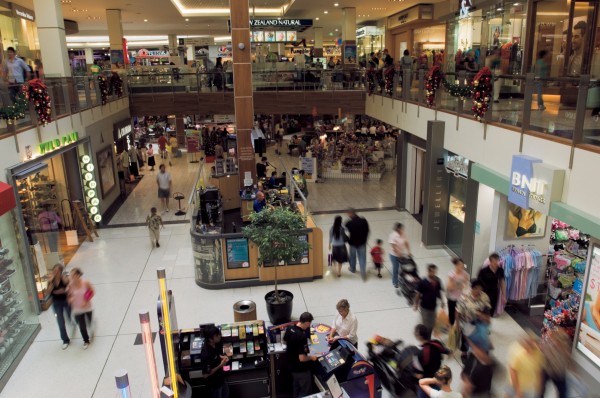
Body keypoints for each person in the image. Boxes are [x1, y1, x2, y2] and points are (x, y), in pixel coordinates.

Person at [284, 312, 318, 397]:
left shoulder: (289, 329)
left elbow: (285, 340)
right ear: (306, 323)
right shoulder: (302, 337)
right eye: (309, 323)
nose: (309, 325)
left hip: (291, 366)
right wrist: (312, 357)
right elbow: (302, 358)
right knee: (305, 392)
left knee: (296, 388)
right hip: (301, 370)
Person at [456, 280, 491, 363]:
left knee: (481, 338)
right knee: (465, 339)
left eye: (480, 289)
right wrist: (457, 323)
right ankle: (464, 353)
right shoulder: (464, 297)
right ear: (472, 288)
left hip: (480, 323)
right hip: (467, 322)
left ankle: (481, 353)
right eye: (477, 289)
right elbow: (458, 311)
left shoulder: (484, 297)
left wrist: (487, 320)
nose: (479, 291)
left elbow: (487, 310)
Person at [414, 324, 451, 398]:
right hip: (439, 379)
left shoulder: (418, 354)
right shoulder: (436, 343)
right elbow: (449, 352)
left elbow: (418, 374)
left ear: (419, 337)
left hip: (427, 383)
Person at [505, 333, 544, 398]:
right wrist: (518, 390)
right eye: (528, 344)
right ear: (524, 346)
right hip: (515, 383)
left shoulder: (539, 353)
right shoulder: (518, 355)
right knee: (509, 394)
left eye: (533, 343)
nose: (533, 345)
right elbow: (512, 372)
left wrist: (539, 383)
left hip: (528, 385)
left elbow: (539, 369)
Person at [414, 264, 445, 336]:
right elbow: (418, 294)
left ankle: (428, 336)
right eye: (432, 271)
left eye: (435, 271)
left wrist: (442, 301)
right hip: (424, 307)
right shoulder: (423, 282)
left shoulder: (438, 280)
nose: (434, 273)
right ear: (428, 272)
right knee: (426, 325)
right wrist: (416, 304)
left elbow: (438, 292)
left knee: (432, 324)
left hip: (433, 306)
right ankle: (426, 338)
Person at [67, 268, 94, 350]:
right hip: (77, 309)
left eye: (74, 275)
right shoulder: (70, 285)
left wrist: (85, 301)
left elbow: (92, 291)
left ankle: (92, 328)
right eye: (71, 275)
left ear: (78, 275)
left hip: (87, 308)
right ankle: (86, 340)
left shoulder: (86, 283)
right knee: (82, 326)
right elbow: (68, 296)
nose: (72, 277)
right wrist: (70, 300)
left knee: (89, 323)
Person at [539, 329, 571, 398]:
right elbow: (544, 358)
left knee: (563, 392)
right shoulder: (548, 346)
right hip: (548, 370)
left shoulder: (565, 347)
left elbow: (566, 358)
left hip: (559, 372)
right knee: (541, 390)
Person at [200, 325, 229, 398]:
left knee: (226, 394)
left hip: (221, 379)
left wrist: (222, 357)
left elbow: (216, 355)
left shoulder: (215, 344)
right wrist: (220, 365)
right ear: (210, 339)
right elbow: (205, 375)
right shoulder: (206, 353)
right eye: (217, 335)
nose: (219, 336)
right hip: (214, 384)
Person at [49, 264, 71, 349]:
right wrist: (51, 282)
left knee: (69, 315)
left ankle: (72, 322)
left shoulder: (64, 278)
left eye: (57, 271)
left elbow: (68, 287)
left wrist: (63, 291)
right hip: (56, 303)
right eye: (54, 270)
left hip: (66, 301)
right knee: (60, 322)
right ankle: (65, 340)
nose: (55, 272)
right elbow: (47, 292)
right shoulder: (51, 280)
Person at [345, 209, 370, 281]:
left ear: (350, 214)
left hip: (352, 243)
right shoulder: (363, 221)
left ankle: (352, 269)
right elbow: (368, 231)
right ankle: (363, 273)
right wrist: (365, 239)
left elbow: (343, 231)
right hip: (362, 243)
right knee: (362, 258)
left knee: (352, 256)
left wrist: (347, 239)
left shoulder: (349, 223)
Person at [446, 258, 469, 326]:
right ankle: (451, 325)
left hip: (460, 297)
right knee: (452, 312)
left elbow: (466, 284)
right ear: (456, 265)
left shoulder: (465, 274)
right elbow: (449, 287)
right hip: (452, 297)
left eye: (462, 265)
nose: (462, 267)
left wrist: (462, 287)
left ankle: (459, 325)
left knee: (460, 311)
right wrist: (459, 286)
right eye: (460, 265)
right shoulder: (451, 274)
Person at [389, 222, 411, 288]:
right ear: (397, 229)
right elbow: (393, 246)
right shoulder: (393, 235)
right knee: (396, 268)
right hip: (393, 255)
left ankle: (402, 279)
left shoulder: (403, 234)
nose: (401, 230)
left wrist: (409, 251)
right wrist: (397, 252)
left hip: (401, 254)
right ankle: (395, 282)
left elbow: (406, 242)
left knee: (401, 268)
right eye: (400, 229)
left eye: (402, 229)